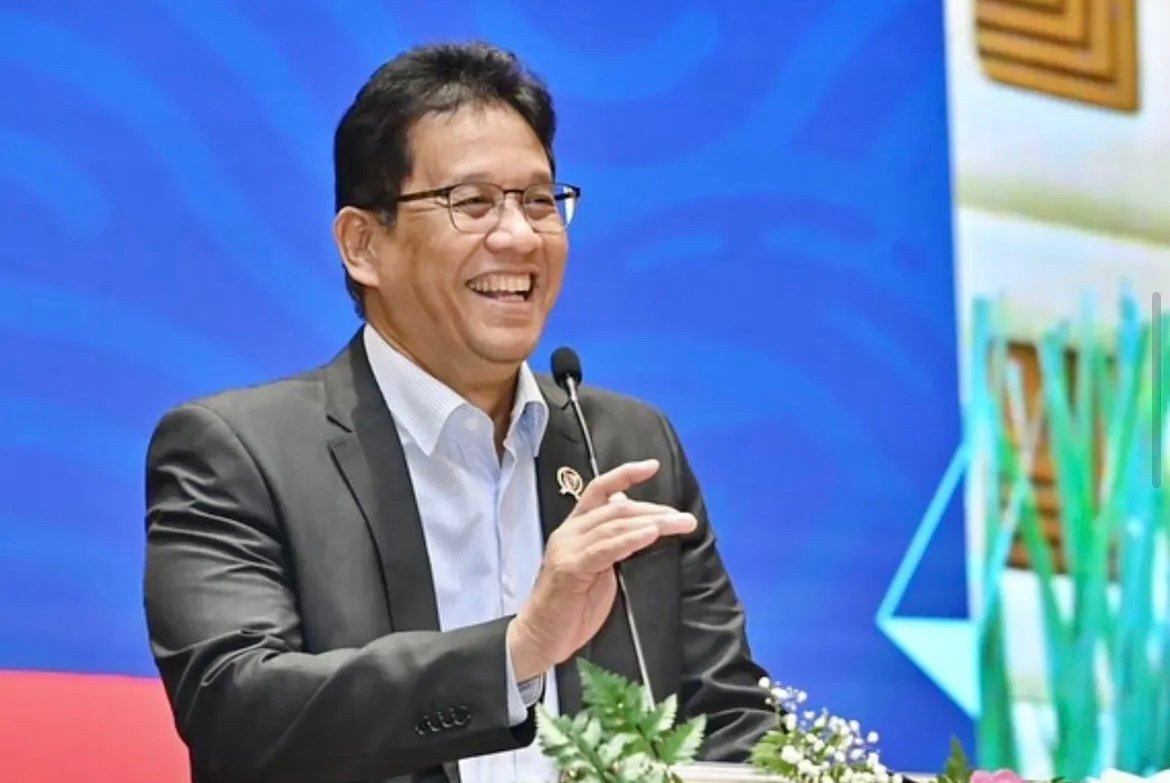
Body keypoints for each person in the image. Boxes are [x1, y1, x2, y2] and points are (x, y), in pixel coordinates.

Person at [144, 41, 774, 783]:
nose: (519, 236)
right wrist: (516, 652)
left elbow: (732, 720)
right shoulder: (242, 454)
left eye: (539, 201)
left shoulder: (627, 446)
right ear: (363, 244)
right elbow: (238, 715)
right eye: (472, 203)